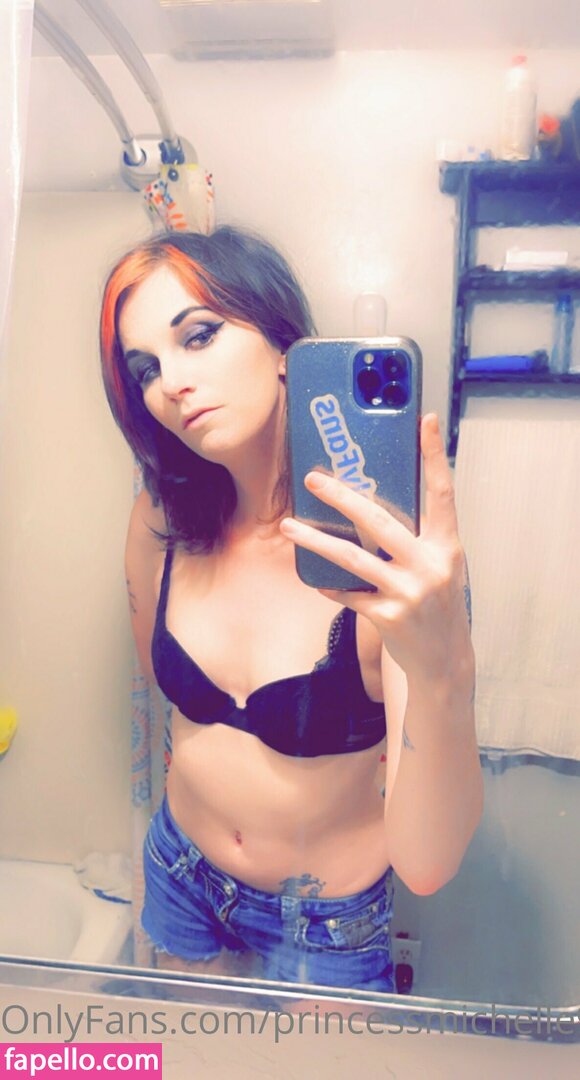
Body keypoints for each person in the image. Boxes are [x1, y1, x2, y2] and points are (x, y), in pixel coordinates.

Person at [100, 225, 482, 993]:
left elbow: (427, 864)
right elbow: (160, 684)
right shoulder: (160, 519)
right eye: (146, 368)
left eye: (197, 336)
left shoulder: (385, 554)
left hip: (325, 921)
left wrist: (443, 666)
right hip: (179, 871)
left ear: (285, 345)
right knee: (186, 1053)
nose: (171, 383)